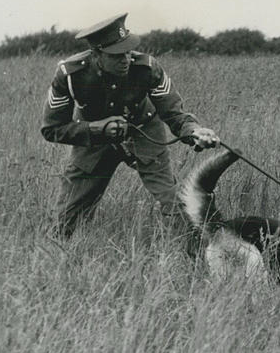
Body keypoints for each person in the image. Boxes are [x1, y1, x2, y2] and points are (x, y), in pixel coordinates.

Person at [41, 13, 220, 238]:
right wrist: (95, 129)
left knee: (172, 201)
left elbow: (175, 114)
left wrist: (194, 131)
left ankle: (193, 255)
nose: (125, 59)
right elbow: (51, 129)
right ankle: (56, 255)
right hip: (94, 139)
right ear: (97, 54)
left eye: (127, 51)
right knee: (67, 214)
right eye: (116, 55)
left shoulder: (148, 68)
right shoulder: (69, 75)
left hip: (144, 131)